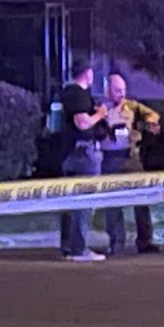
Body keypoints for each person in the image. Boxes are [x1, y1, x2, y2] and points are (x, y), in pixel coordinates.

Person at [98, 73, 163, 255]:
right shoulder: (100, 108)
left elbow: (152, 114)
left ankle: (145, 241)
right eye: (117, 90)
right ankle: (116, 243)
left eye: (123, 90)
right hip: (110, 160)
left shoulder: (132, 106)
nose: (121, 93)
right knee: (113, 203)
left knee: (142, 199)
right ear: (107, 90)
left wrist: (150, 124)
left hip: (131, 158)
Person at [59, 61, 107, 262]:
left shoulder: (68, 92)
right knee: (84, 201)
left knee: (70, 202)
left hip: (69, 153)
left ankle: (69, 247)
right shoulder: (77, 94)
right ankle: (79, 249)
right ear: (87, 73)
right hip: (83, 154)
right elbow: (83, 122)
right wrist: (100, 114)